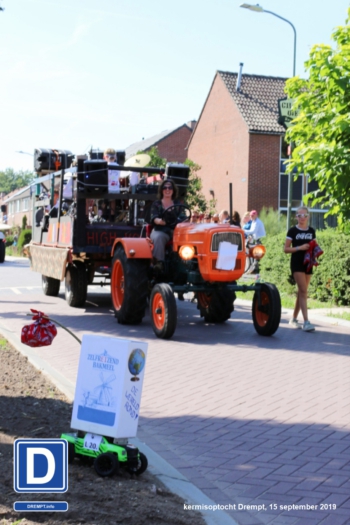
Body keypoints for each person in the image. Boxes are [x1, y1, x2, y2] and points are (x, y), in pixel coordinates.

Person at [284, 206, 316, 332]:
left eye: (304, 215)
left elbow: (313, 245)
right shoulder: (292, 231)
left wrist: (314, 250)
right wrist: (299, 248)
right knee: (303, 290)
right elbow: (286, 249)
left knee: (302, 291)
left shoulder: (312, 231)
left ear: (308, 217)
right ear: (295, 217)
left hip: (308, 263)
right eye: (299, 215)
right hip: (297, 263)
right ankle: (306, 322)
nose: (302, 218)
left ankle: (293, 318)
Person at [150, 179, 180, 267]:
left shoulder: (178, 204)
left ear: (173, 190)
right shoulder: (156, 204)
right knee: (159, 237)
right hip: (160, 230)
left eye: (170, 187)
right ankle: (158, 264)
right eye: (165, 187)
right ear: (161, 190)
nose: (167, 189)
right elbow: (153, 218)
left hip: (176, 231)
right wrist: (159, 221)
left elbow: (183, 218)